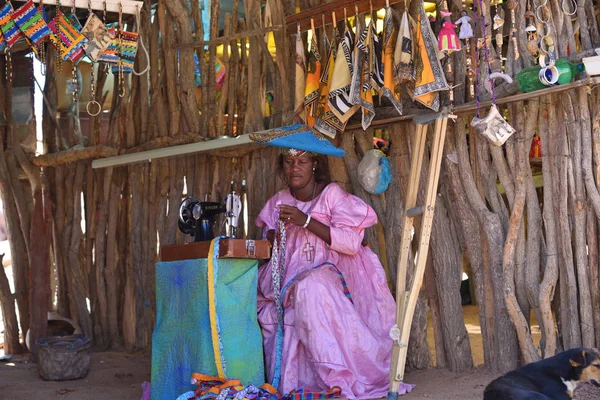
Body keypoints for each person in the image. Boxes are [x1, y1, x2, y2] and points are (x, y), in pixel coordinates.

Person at [250, 126, 413, 399]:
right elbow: (270, 244)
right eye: (289, 162)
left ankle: (340, 378)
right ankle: (305, 383)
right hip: (290, 277)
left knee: (310, 291)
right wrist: (273, 236)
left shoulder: (332, 196)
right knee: (273, 303)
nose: (295, 168)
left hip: (335, 276)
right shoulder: (278, 202)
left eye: (302, 162)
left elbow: (350, 244)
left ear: (315, 165)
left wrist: (305, 221)